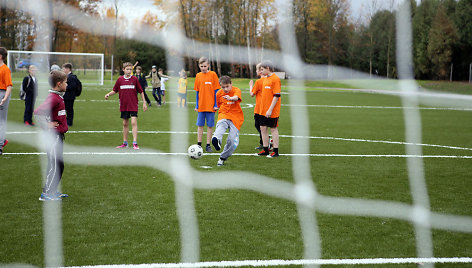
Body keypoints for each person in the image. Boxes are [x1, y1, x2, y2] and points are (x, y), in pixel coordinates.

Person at [34, 70, 69, 201]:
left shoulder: (58, 96)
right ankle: (46, 193)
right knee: (55, 164)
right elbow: (38, 112)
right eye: (66, 82)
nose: (67, 84)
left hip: (58, 136)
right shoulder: (53, 98)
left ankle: (52, 190)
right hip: (53, 136)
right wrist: (47, 125)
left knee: (59, 164)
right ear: (59, 84)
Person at [105, 62, 147, 149]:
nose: (129, 71)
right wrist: (108, 94)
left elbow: (141, 91)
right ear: (123, 70)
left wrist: (144, 102)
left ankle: (135, 143)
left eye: (130, 69)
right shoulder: (120, 80)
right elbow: (115, 90)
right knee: (125, 124)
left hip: (133, 105)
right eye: (127, 69)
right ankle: (125, 143)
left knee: (133, 122)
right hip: (124, 105)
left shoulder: (135, 79)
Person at [211, 76, 244, 166]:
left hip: (236, 117)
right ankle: (217, 139)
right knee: (220, 126)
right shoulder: (218, 94)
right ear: (220, 86)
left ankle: (222, 157)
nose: (225, 89)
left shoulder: (236, 90)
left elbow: (236, 97)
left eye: (227, 86)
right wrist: (215, 108)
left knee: (232, 141)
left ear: (231, 84)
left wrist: (231, 98)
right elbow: (219, 104)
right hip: (224, 114)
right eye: (223, 87)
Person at [194, 57, 220, 152]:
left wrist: (216, 104)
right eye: (201, 66)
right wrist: (197, 105)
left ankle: (208, 144)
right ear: (199, 66)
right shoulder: (198, 76)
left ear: (208, 65)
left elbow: (216, 90)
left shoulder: (213, 74)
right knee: (200, 125)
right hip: (201, 106)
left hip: (211, 106)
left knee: (209, 126)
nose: (203, 68)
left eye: (205, 66)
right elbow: (197, 92)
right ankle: (199, 144)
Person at [257, 60, 281, 158]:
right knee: (262, 128)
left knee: (273, 129)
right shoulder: (265, 79)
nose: (260, 71)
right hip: (263, 110)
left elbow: (276, 96)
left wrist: (270, 109)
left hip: (272, 110)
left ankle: (275, 151)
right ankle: (265, 149)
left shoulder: (275, 79)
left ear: (268, 68)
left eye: (262, 69)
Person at [249, 63, 266, 149]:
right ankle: (263, 143)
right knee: (263, 126)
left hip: (259, 108)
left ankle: (266, 142)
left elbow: (252, 94)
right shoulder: (268, 80)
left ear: (260, 71)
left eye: (257, 70)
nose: (256, 71)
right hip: (266, 107)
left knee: (258, 126)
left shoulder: (259, 81)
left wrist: (250, 86)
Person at [0, 47, 12, 155]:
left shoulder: (5, 69)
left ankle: (0, 146)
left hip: (2, 93)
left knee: (1, 121)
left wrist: (4, 98)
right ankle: (3, 140)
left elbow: (9, 86)